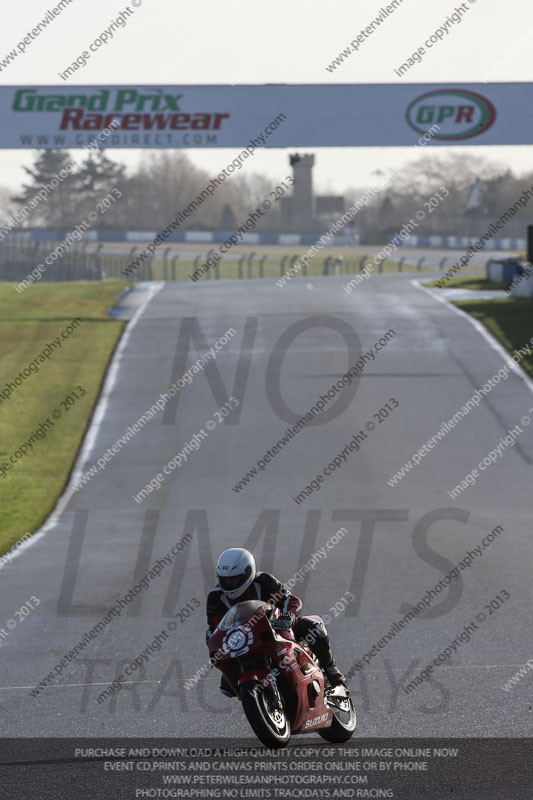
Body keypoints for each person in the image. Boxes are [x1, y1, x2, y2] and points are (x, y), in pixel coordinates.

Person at [206, 547, 344, 697]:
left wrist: (289, 616)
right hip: (244, 641)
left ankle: (331, 669)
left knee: (314, 628)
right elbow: (214, 629)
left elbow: (290, 600)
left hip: (277, 627)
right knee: (227, 686)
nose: (230, 584)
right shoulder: (215, 597)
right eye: (225, 580)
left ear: (248, 573)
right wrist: (216, 649)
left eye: (235, 579)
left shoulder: (263, 581)